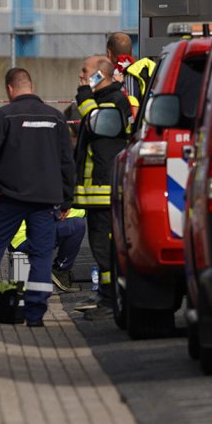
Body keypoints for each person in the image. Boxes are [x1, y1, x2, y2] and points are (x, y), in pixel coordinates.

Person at [0, 67, 76, 327]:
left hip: (9, 198)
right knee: (41, 256)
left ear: (10, 89)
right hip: (45, 200)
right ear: (31, 86)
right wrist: (67, 200)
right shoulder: (55, 118)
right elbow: (67, 162)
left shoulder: (4, 115)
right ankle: (35, 316)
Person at [74, 55, 135, 316]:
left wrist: (84, 94)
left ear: (100, 74)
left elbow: (98, 124)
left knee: (103, 246)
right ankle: (106, 296)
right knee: (101, 246)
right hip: (97, 189)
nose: (81, 76)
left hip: (105, 188)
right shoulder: (104, 100)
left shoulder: (113, 101)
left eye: (85, 71)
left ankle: (111, 300)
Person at [107, 30, 157, 107]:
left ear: (109, 53)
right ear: (132, 52)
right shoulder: (143, 70)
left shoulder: (127, 75)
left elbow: (133, 108)